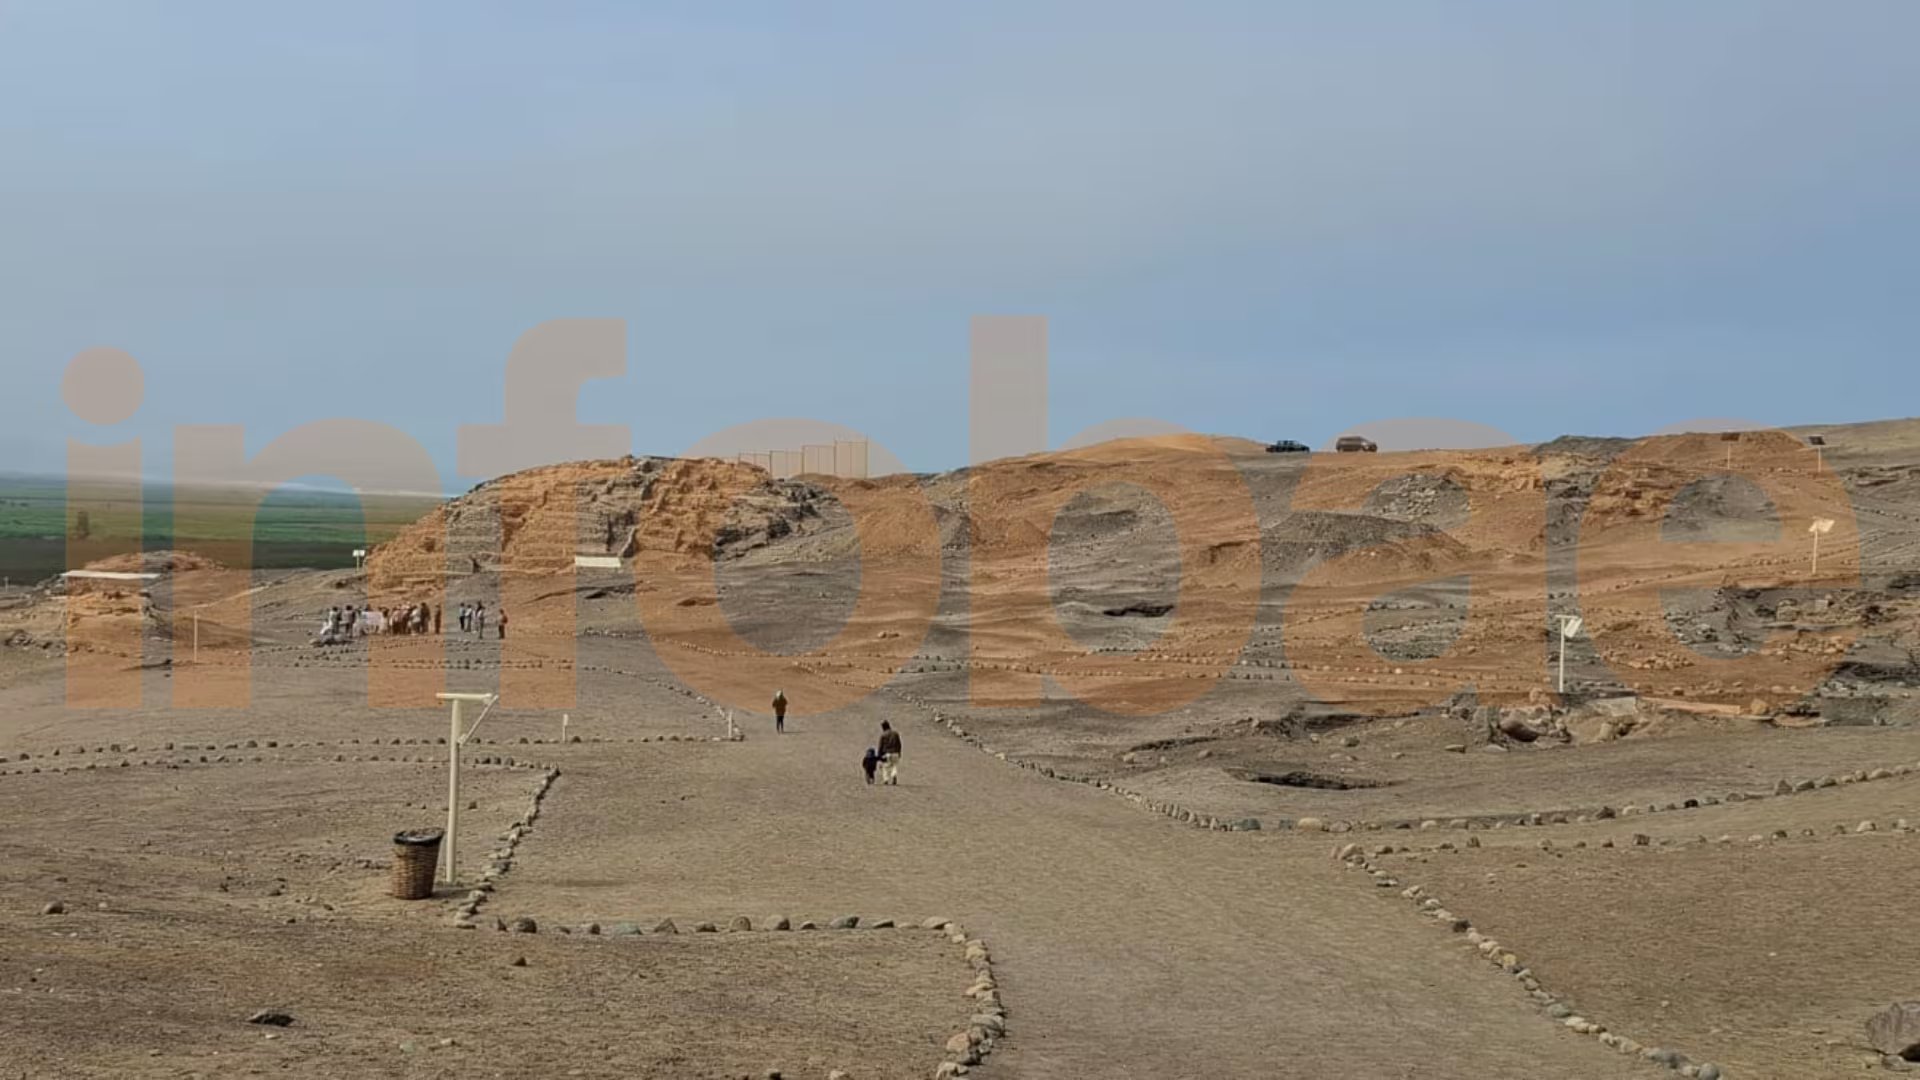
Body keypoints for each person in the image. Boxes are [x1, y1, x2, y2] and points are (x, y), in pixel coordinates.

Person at [876, 720, 902, 786]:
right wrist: (899, 752)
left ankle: (886, 780)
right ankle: (894, 775)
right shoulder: (895, 733)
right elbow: (899, 744)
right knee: (894, 766)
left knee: (885, 767)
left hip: (886, 753)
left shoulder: (883, 735)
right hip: (895, 753)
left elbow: (880, 746)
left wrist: (879, 755)